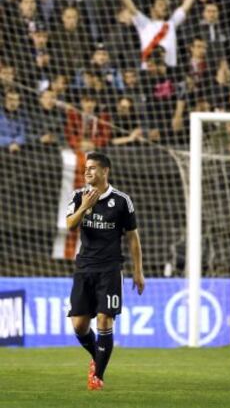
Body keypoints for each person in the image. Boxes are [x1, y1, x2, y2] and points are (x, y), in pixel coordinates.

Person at [66, 151, 145, 390]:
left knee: (103, 320)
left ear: (104, 171)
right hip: (84, 268)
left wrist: (138, 271)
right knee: (79, 325)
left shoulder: (122, 201)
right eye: (85, 168)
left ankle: (97, 377)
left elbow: (133, 238)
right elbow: (70, 225)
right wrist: (85, 207)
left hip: (110, 269)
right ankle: (97, 358)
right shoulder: (79, 196)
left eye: (91, 168)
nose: (87, 171)